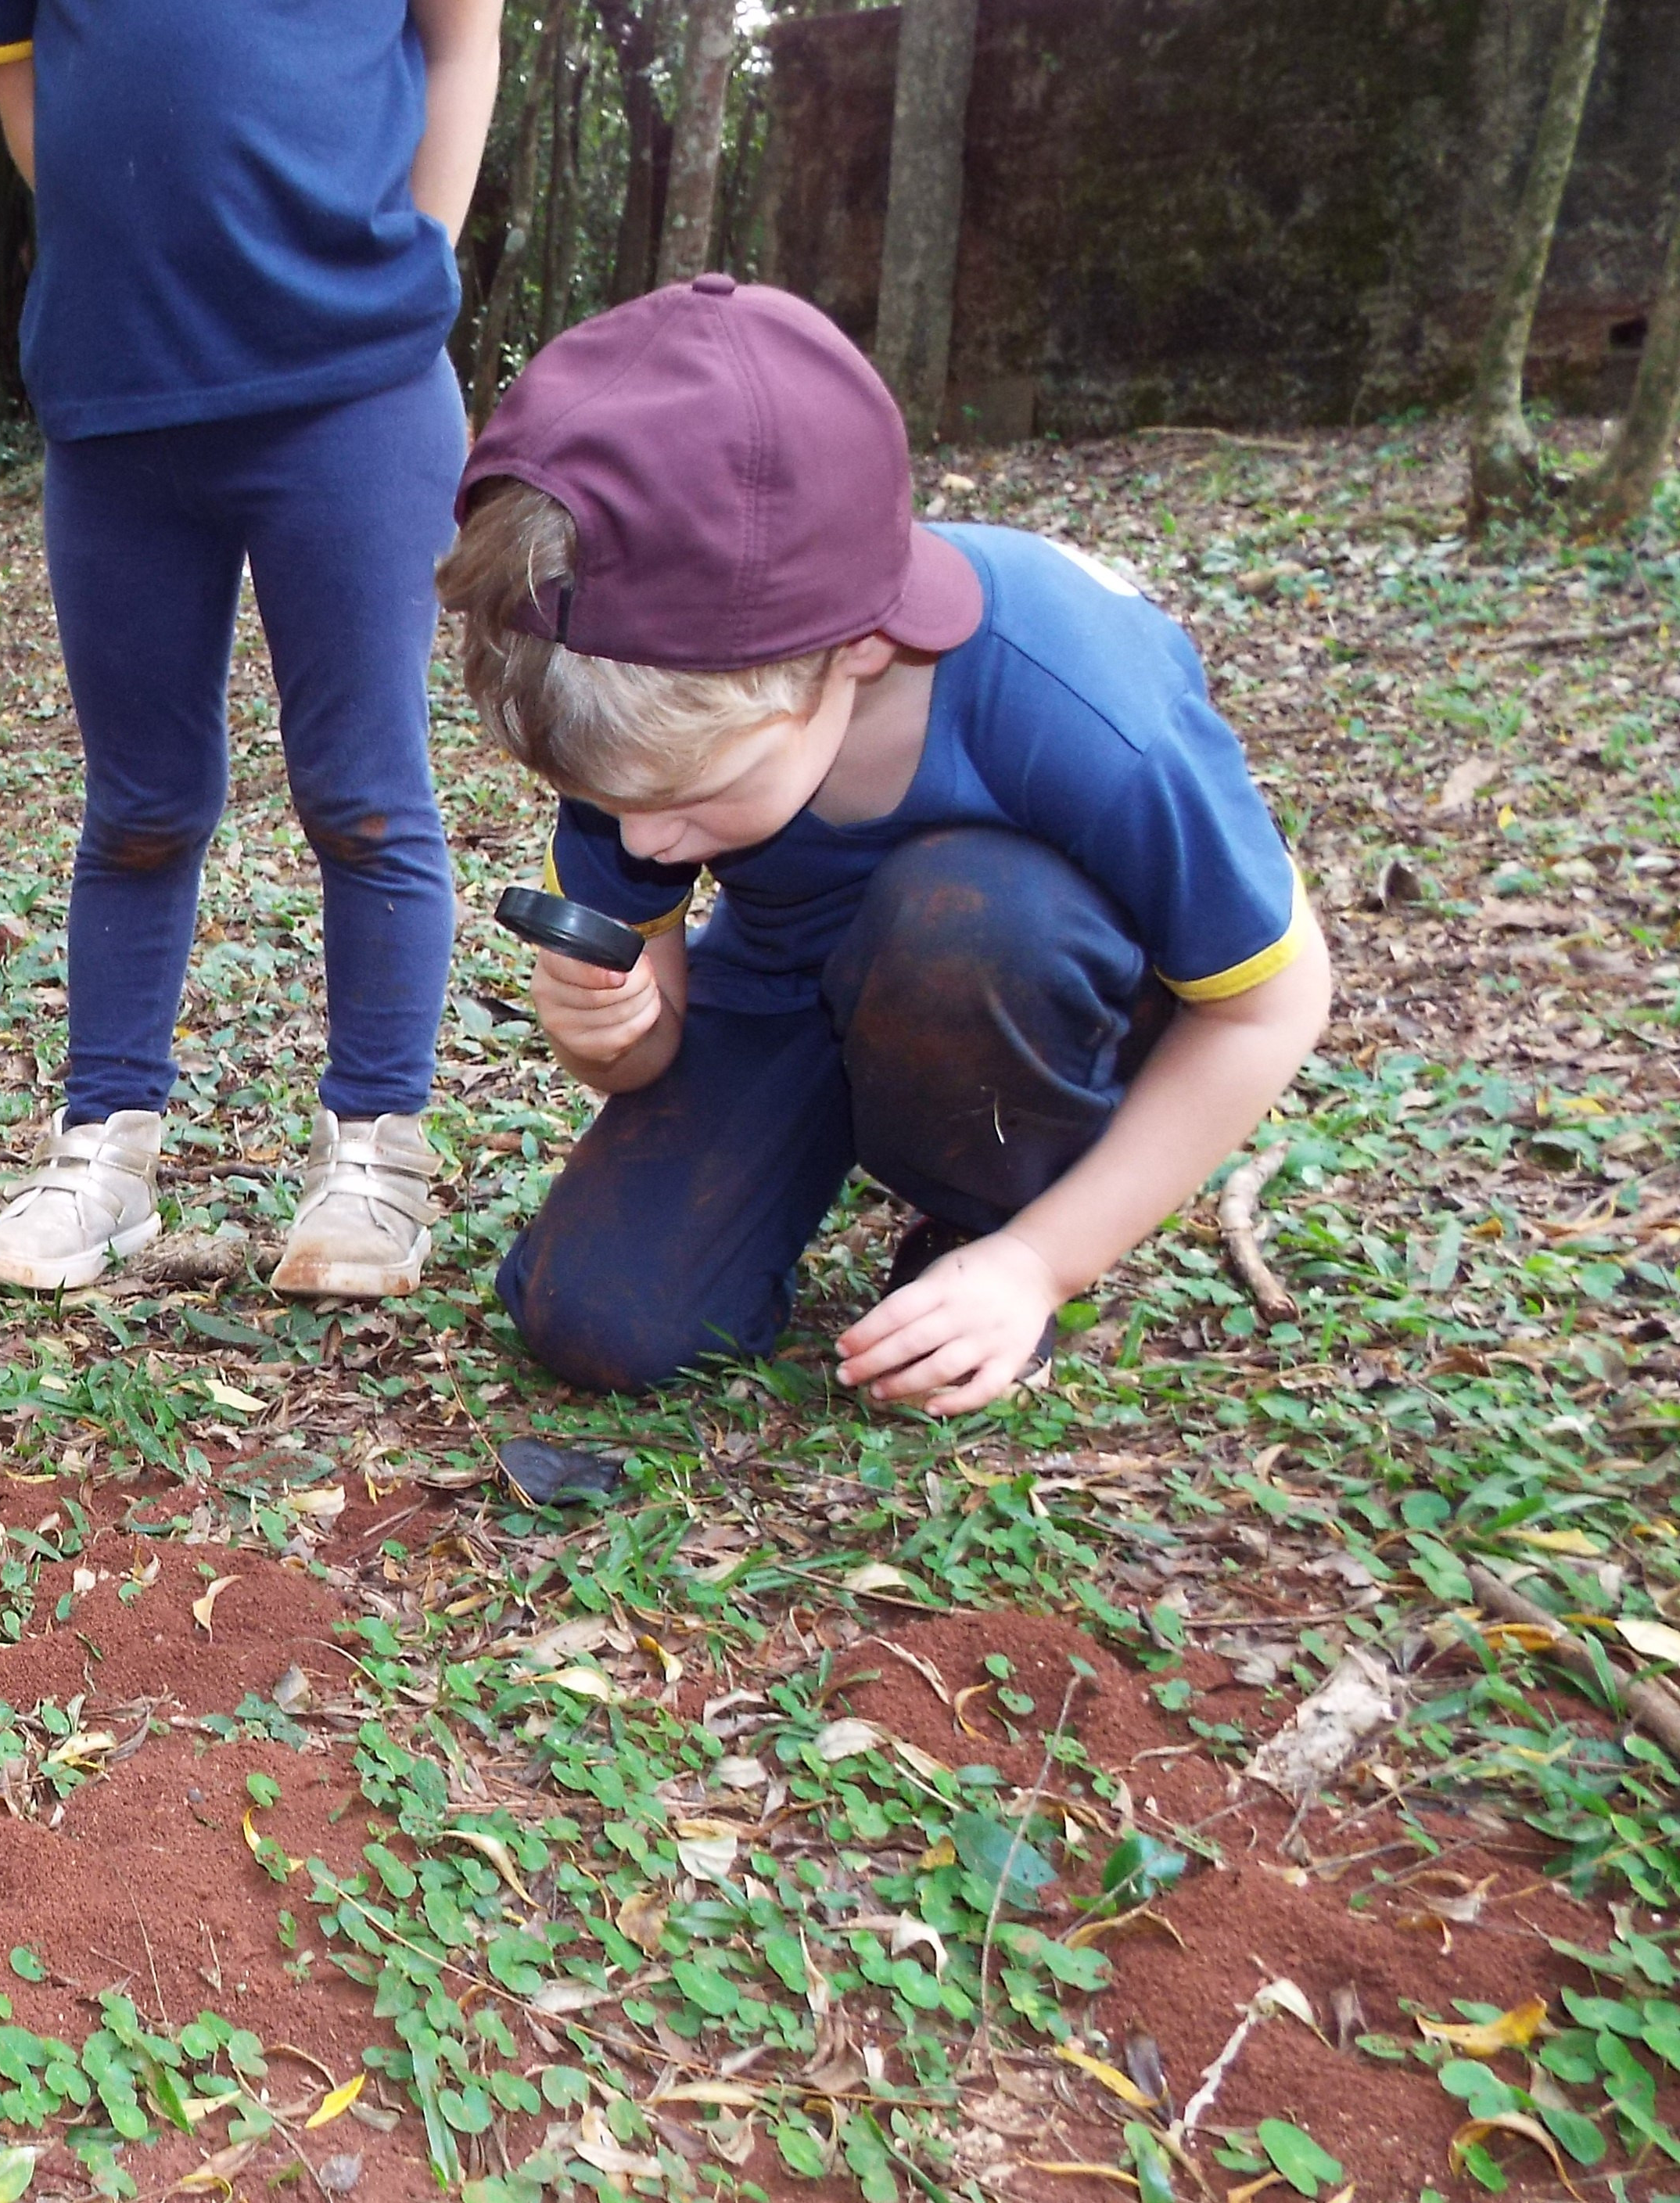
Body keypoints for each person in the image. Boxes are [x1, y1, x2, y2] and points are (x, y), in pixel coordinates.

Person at [446, 277, 1334, 1414]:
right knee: (602, 1321)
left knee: (970, 918)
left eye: (690, 795)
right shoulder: (639, 732)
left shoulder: (1081, 704)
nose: (642, 840)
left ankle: (986, 1219)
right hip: (790, 974)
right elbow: (646, 1040)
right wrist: (608, 1036)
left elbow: (1274, 1002)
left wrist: (1038, 1262)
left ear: (857, 647)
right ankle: (842, 1121)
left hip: (1018, 974)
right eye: (601, 799)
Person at [0, 0, 499, 1300]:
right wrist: (148, 262)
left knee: (364, 794)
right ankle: (105, 1149)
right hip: (115, 395)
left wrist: (410, 258)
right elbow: (23, 83)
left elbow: (461, 35)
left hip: (356, 386)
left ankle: (374, 1152)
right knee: (139, 804)